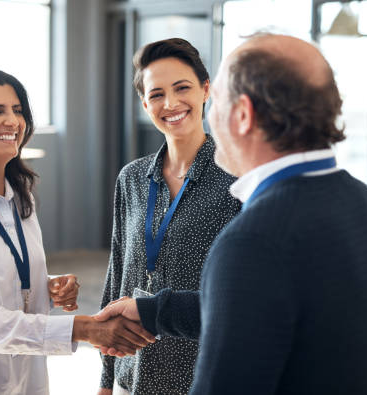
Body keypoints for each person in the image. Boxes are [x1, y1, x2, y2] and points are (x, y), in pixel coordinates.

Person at [96, 33, 367, 394]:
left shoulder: (254, 239)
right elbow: (254, 305)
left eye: (217, 100)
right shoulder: (362, 203)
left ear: (242, 114)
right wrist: (152, 312)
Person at [0, 66, 155, 395]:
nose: (13, 121)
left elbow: (5, 279)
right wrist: (85, 329)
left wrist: (46, 287)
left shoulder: (18, 193)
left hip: (28, 381)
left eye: (18, 110)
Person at [98, 38, 241, 395]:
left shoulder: (238, 178)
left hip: (205, 373)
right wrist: (105, 378)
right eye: (157, 94)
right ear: (145, 103)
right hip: (135, 373)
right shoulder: (131, 178)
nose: (171, 103)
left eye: (182, 88)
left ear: (206, 90)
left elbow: (244, 293)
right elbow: (118, 271)